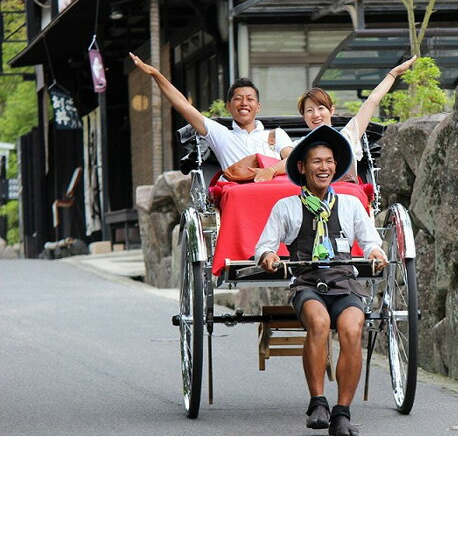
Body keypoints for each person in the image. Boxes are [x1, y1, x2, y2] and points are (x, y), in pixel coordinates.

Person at [255, 125, 388, 436]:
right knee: (318, 322)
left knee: (352, 329)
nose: (324, 167)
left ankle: (342, 412)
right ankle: (318, 402)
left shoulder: (352, 204)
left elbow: (370, 241)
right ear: (302, 167)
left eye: (329, 161)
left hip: (345, 282)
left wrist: (376, 252)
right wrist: (269, 257)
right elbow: (264, 246)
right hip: (308, 284)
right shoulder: (286, 206)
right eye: (317, 161)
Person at [129, 53, 293, 181]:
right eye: (237, 99)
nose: (244, 103)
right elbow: (184, 106)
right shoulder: (222, 135)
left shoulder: (276, 135)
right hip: (238, 200)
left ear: (258, 107)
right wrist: (155, 74)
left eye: (250, 99)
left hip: (274, 198)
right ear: (228, 106)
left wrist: (270, 171)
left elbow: (294, 161)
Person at [297, 55, 418, 181]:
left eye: (321, 108)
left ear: (331, 110)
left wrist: (393, 73)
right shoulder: (298, 147)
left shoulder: (346, 137)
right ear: (304, 116)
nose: (316, 114)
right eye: (309, 110)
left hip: (345, 196)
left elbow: (372, 101)